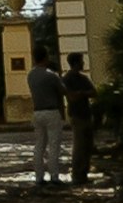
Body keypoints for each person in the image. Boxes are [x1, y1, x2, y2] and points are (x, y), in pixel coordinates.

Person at [26, 48, 69, 186]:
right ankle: (54, 176)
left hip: (37, 112)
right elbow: (63, 90)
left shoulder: (31, 75)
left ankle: (39, 176)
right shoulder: (51, 75)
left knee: (39, 145)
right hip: (51, 111)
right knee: (54, 145)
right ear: (45, 58)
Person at [63, 53, 99, 187]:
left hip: (86, 113)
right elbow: (71, 96)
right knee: (79, 145)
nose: (83, 64)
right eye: (81, 61)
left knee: (88, 145)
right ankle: (77, 174)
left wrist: (81, 93)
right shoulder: (67, 79)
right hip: (76, 114)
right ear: (76, 63)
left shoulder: (83, 78)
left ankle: (84, 173)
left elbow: (94, 92)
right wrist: (83, 93)